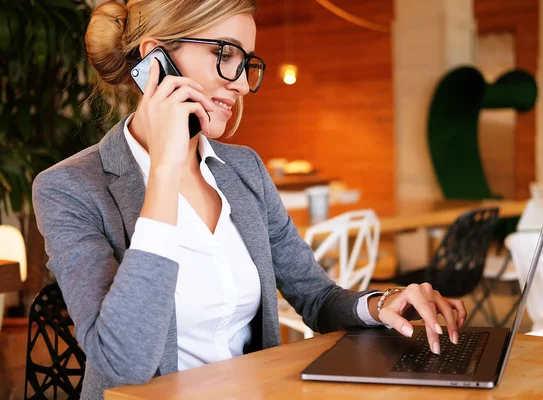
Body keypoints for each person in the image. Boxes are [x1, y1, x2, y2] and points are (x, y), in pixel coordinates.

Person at [32, 1, 467, 399]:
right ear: (155, 58)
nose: (240, 83)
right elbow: (123, 362)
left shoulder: (244, 170)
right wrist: (164, 170)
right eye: (225, 55)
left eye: (247, 62)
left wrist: (379, 305)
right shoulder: (68, 188)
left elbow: (315, 297)